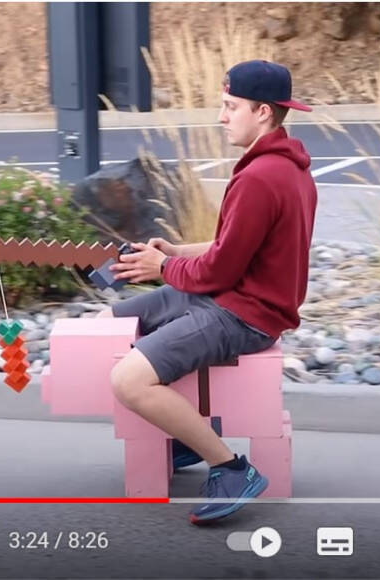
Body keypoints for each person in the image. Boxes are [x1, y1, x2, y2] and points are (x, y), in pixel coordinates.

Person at [97, 60, 317, 524]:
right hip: (235, 297)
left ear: (262, 112)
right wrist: (175, 252)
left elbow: (218, 271)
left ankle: (231, 469)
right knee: (110, 324)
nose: (221, 117)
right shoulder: (287, 168)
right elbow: (233, 247)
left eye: (231, 106)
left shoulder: (260, 177)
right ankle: (189, 436)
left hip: (245, 313)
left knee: (127, 380)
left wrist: (164, 267)